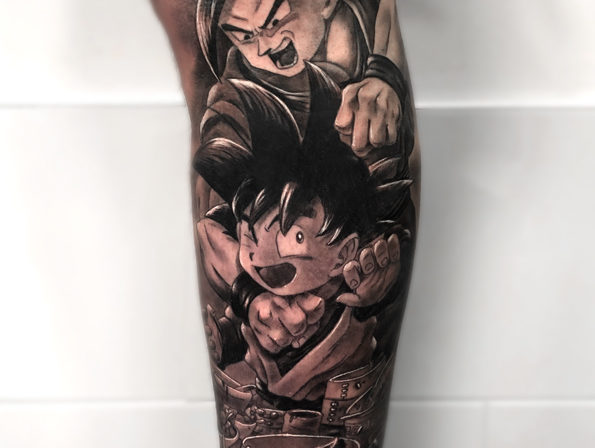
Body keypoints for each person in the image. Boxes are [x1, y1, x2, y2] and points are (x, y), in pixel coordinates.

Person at [152, 0, 420, 446]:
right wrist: (248, 294)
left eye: (276, 22)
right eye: (243, 35)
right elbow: (220, 212)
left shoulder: (333, 90)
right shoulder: (239, 101)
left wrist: (376, 285)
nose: (265, 46)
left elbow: (381, 193)